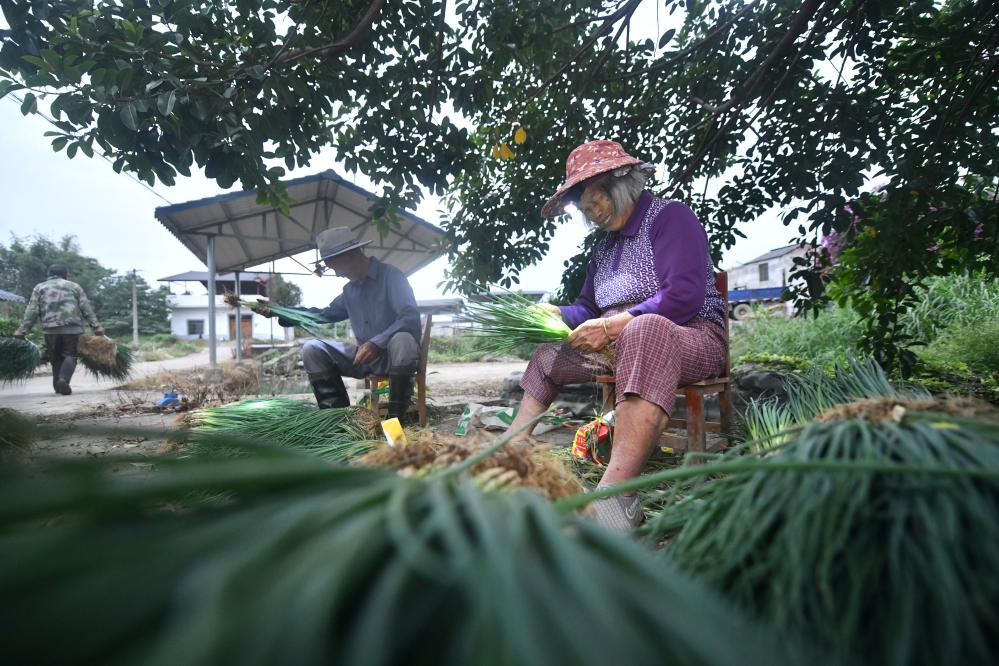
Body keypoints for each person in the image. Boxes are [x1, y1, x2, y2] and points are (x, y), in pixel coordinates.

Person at [506, 140, 728, 531]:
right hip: (619, 346)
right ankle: (511, 450)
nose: (593, 215)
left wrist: (612, 325)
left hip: (692, 336)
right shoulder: (604, 249)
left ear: (621, 184)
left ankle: (616, 496)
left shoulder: (670, 218)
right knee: (548, 354)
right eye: (586, 210)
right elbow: (588, 310)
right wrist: (559, 314)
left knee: (644, 330)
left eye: (596, 203)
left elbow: (683, 297)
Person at [256, 227, 421, 418]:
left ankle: (396, 421)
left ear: (350, 255)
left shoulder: (392, 276)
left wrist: (376, 343)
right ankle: (339, 421)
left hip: (396, 357)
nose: (336, 274)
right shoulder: (349, 292)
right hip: (364, 358)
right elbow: (322, 315)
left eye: (334, 267)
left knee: (402, 340)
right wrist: (279, 311)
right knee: (313, 349)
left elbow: (409, 317)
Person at [14, 264, 105, 395]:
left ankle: (58, 386)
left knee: (55, 357)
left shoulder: (40, 287)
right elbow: (86, 308)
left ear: (49, 275)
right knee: (71, 355)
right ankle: (64, 380)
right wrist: (96, 326)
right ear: (66, 274)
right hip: (73, 329)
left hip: (50, 330)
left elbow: (32, 310)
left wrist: (23, 330)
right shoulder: (74, 286)